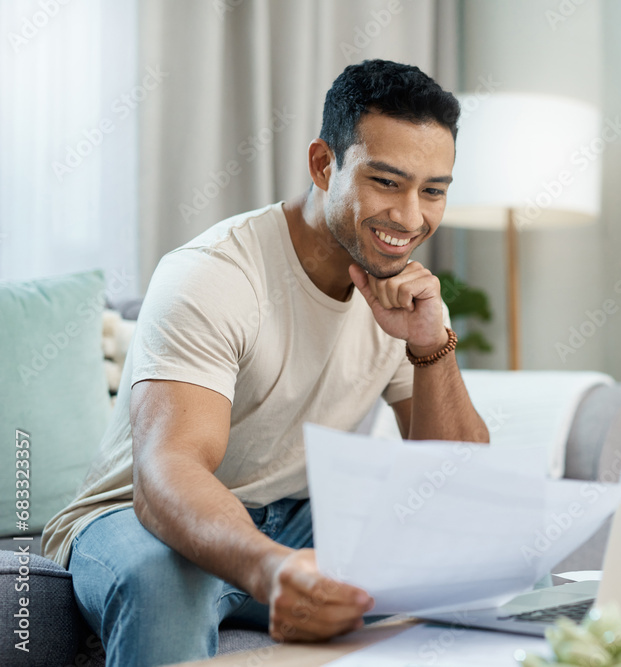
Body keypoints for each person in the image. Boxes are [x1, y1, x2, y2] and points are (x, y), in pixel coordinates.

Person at [42, 59, 489, 666]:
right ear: (323, 165)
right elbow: (167, 472)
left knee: (471, 555)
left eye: (433, 190)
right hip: (138, 516)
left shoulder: (399, 291)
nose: (411, 218)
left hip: (297, 516)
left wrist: (429, 344)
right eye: (386, 182)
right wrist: (271, 568)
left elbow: (456, 483)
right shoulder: (216, 274)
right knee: (162, 583)